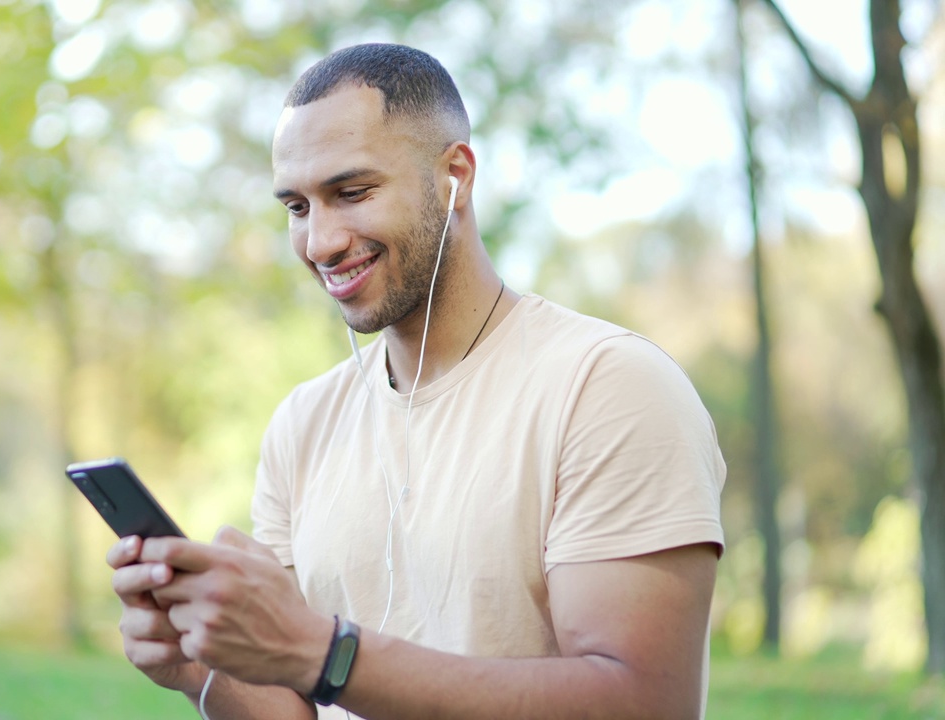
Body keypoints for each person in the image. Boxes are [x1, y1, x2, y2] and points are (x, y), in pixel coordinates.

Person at [107, 43, 725, 720]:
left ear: (454, 177)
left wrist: (326, 653)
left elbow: (641, 704)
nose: (320, 243)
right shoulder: (302, 424)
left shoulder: (608, 386)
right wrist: (199, 667)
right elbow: (296, 705)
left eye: (351, 192)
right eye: (297, 207)